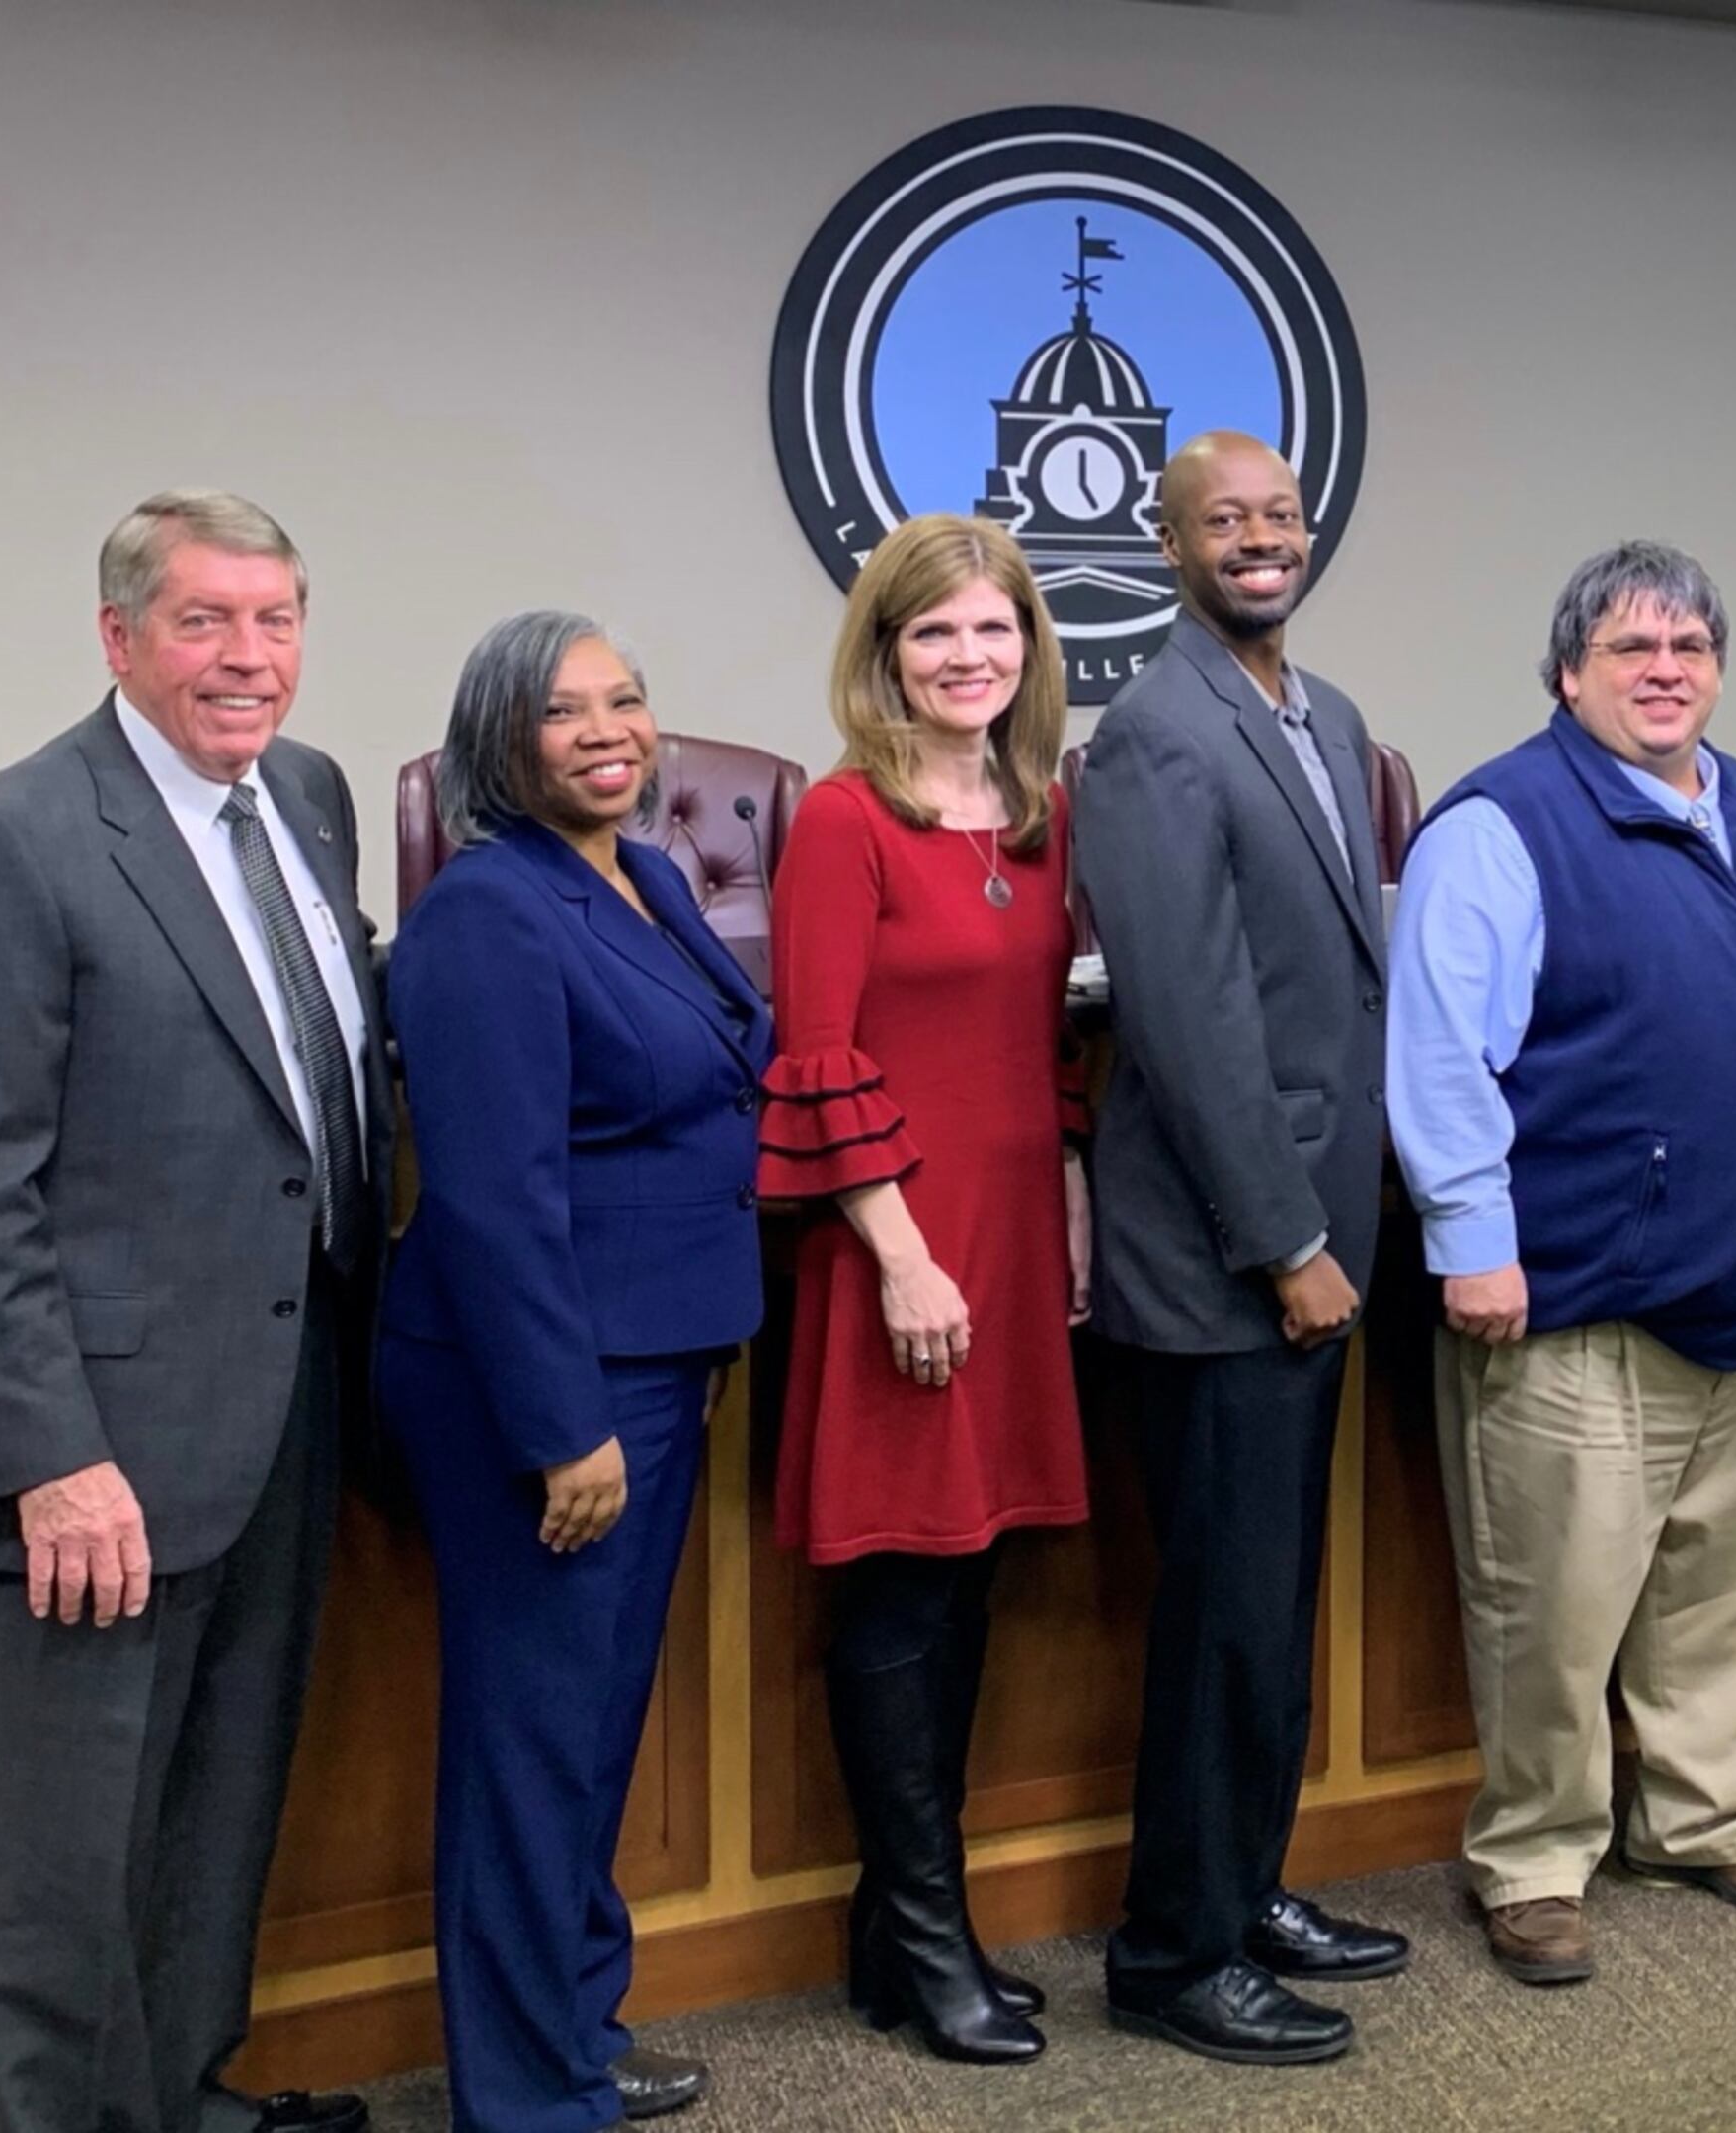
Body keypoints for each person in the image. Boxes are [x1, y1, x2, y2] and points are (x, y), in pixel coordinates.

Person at [0, 490, 382, 2133]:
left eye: (276, 620)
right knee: (64, 1853)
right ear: (119, 638)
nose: (249, 658)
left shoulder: (303, 796)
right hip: (99, 1444)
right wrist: (49, 1454)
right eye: (205, 622)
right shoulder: (14, 837)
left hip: (287, 1401)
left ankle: (184, 2092)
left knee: (221, 1798)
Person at [1393, 539, 1736, 1985]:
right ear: (1567, 675)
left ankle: (1713, 1817)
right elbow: (1437, 1056)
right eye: (1632, 651)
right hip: (1581, 1304)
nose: (1667, 674)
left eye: (1691, 651)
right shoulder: (1501, 825)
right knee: (1555, 1601)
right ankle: (1535, 1858)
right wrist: (1474, 1245)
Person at [374, 613, 766, 2128]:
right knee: (532, 1741)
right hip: (545, 1389)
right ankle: (527, 2095)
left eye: (627, 699)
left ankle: (574, 2029)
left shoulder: (640, 876)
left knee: (588, 1728)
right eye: (563, 711)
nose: (609, 730)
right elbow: (490, 1193)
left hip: (658, 1352)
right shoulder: (485, 910)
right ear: (498, 739)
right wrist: (563, 1427)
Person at [1071, 433, 1409, 2067]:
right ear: (1171, 542)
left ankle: (1247, 1888)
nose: (1260, 539)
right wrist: (1284, 1241)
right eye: (1226, 521)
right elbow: (1189, 1019)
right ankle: (1171, 1954)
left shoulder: (1321, 719)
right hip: (1226, 1264)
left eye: (1279, 516)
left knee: (1273, 1608)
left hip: (1319, 1242)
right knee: (1219, 1620)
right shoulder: (1150, 732)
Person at [762, 514, 1088, 2063]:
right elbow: (817, 1060)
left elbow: (1045, 1044)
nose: (969, 659)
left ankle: (906, 1934)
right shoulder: (844, 820)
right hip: (902, 1248)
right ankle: (918, 1930)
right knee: (899, 1582)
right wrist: (901, 1257)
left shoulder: (1038, 812)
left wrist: (1071, 1204)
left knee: (971, 1581)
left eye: (994, 632)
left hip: (1017, 1238)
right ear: (884, 651)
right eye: (935, 634)